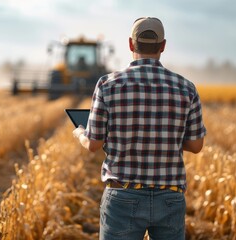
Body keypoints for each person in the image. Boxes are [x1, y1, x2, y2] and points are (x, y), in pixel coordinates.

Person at [72, 17, 207, 240]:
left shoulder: (108, 84)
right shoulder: (186, 88)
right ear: (163, 46)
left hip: (123, 195)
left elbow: (93, 144)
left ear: (130, 44)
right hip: (170, 197)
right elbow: (196, 145)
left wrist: (80, 133)